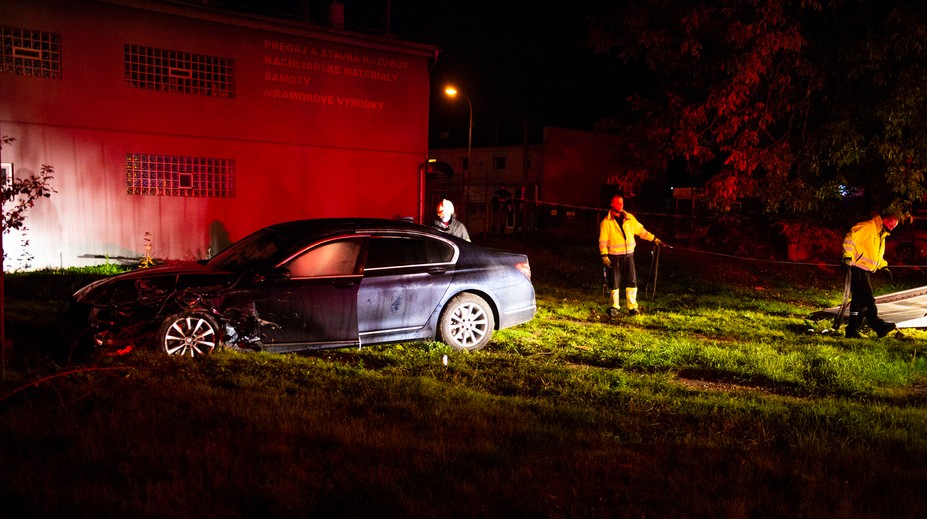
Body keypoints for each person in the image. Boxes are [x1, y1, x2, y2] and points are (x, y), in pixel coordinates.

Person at [599, 194, 662, 316]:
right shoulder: (606, 222)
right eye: (618, 203)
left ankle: (632, 307)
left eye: (622, 203)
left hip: (629, 256)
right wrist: (604, 256)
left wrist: (654, 238)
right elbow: (603, 241)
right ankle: (614, 307)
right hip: (614, 256)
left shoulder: (629, 219)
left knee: (631, 282)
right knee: (614, 282)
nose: (621, 205)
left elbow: (641, 231)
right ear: (612, 204)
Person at [841, 213, 899, 338]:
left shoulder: (880, 234)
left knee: (858, 302)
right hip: (856, 267)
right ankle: (878, 326)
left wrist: (883, 267)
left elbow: (877, 254)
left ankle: (852, 330)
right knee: (867, 298)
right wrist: (847, 257)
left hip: (864, 270)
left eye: (894, 227)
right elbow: (850, 239)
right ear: (884, 220)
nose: (892, 228)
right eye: (891, 225)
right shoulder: (868, 227)